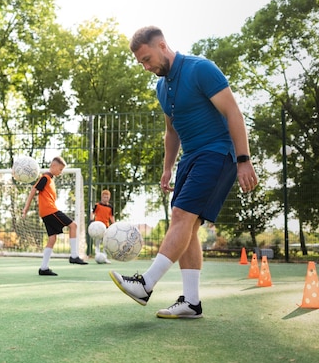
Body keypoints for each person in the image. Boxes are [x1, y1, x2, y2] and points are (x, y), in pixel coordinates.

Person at [109, 26, 258, 319]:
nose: (145, 66)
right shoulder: (161, 87)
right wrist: (167, 167)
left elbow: (233, 112)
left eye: (147, 58)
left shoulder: (201, 70)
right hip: (190, 158)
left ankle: (145, 284)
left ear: (162, 46)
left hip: (217, 152)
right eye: (140, 62)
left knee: (180, 216)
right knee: (187, 227)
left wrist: (244, 160)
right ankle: (191, 303)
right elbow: (171, 131)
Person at [22, 156, 88, 276]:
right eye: (60, 169)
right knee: (73, 225)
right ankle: (74, 255)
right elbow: (33, 190)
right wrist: (26, 208)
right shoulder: (45, 178)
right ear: (53, 166)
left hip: (46, 213)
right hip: (50, 211)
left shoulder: (50, 180)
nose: (60, 172)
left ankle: (43, 268)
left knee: (52, 238)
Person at [90, 189, 115, 261]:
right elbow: (93, 213)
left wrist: (114, 224)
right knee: (97, 241)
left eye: (107, 197)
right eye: (104, 197)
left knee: (106, 241)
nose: (106, 199)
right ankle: (97, 254)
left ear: (109, 197)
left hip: (106, 226)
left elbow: (111, 216)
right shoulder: (97, 205)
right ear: (102, 197)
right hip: (98, 226)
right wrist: (91, 221)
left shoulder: (110, 207)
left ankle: (105, 256)